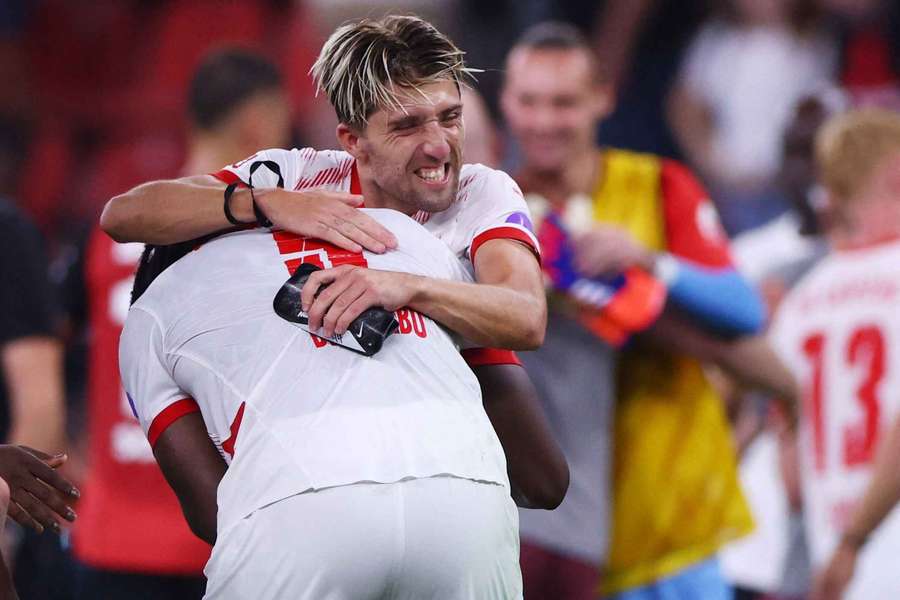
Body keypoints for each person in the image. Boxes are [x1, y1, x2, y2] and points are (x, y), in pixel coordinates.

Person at [500, 22, 775, 599]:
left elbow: (745, 311)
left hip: (674, 516)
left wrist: (650, 260)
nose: (544, 121)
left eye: (564, 102)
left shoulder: (658, 185)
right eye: (529, 101)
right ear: (507, 102)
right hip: (564, 524)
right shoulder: (495, 209)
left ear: (602, 98)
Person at [99, 16, 545, 354]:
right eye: (407, 127)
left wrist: (407, 287)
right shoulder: (298, 176)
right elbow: (124, 214)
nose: (438, 147)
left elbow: (525, 316)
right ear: (353, 140)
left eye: (450, 118)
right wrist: (266, 203)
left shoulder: (480, 191)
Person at [66, 48, 291, 598]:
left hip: (106, 536)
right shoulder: (255, 244)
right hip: (213, 536)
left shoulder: (109, 232)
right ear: (258, 125)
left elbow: (55, 345)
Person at [770, 108, 900, 600]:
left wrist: (843, 545)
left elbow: (793, 480)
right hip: (861, 544)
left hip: (841, 573)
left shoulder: (802, 301)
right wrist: (854, 538)